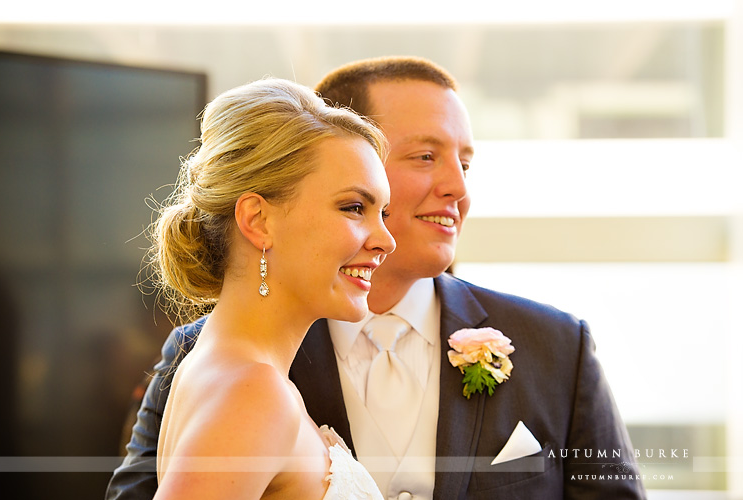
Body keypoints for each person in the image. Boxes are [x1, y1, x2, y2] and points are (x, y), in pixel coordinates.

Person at [107, 57, 646, 500]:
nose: (457, 187)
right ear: (258, 219)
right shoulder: (245, 382)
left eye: (466, 163)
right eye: (425, 155)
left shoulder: (557, 346)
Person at [142, 78, 395, 499]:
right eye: (354, 207)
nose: (386, 240)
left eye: (382, 212)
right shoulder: (254, 394)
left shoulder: (233, 372)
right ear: (258, 220)